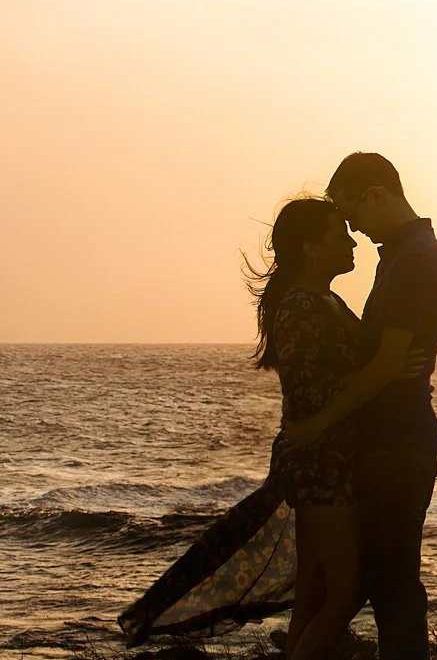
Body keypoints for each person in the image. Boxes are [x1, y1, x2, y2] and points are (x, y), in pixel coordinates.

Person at [119, 198, 421, 656]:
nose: (350, 240)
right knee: (343, 593)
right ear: (310, 248)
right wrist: (385, 373)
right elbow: (308, 389)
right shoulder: (301, 306)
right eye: (338, 233)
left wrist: (384, 370)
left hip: (329, 458)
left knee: (315, 594)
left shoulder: (324, 300)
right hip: (320, 465)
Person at [283, 152, 437, 660]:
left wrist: (317, 424)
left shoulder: (415, 258)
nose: (351, 226)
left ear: (376, 195)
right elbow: (380, 360)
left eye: (349, 209)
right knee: (372, 581)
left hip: (398, 442)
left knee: (392, 582)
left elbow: (387, 363)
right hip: (386, 439)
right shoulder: (401, 254)